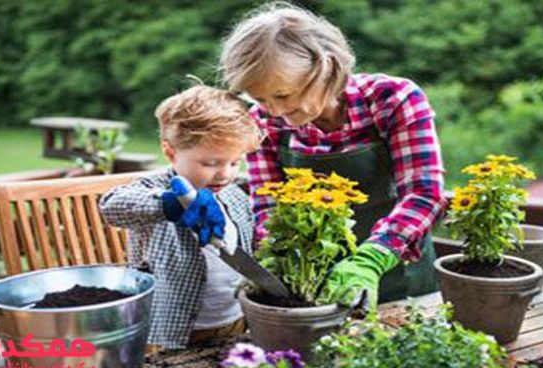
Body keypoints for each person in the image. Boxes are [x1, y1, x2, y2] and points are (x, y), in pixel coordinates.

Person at [219, 2, 446, 308]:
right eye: (260, 98)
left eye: (283, 95)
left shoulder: (393, 99)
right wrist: (274, 258)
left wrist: (371, 260)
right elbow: (268, 203)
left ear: (325, 68)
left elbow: (424, 193)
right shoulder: (263, 121)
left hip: (399, 272)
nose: (274, 110)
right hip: (313, 282)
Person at [99, 84, 262, 350]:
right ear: (171, 152)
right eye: (211, 163)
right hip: (170, 329)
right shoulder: (155, 188)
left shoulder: (234, 192)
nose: (225, 174)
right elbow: (113, 206)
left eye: (235, 162)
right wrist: (173, 204)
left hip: (234, 318)